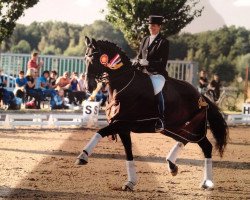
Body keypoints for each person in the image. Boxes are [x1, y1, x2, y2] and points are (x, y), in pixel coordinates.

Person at [133, 15, 169, 132]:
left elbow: (162, 62)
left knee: (156, 90)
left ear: (159, 27)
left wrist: (148, 62)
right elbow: (139, 56)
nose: (151, 28)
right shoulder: (145, 40)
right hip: (143, 72)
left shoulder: (163, 42)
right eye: (150, 26)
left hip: (156, 73)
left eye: (153, 26)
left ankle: (161, 119)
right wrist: (137, 61)